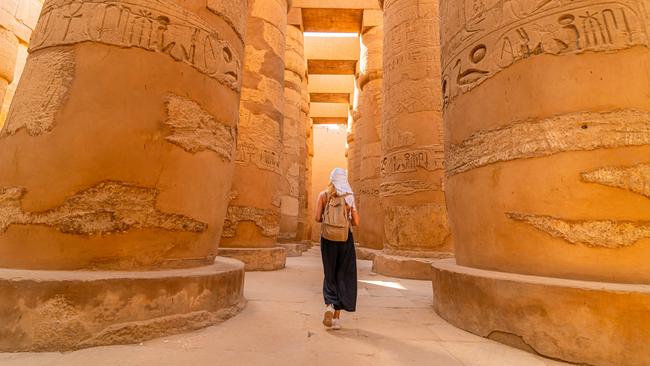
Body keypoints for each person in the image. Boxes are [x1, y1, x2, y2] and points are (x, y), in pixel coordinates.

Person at [314, 167, 360, 330]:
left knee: (329, 273)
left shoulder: (323, 195)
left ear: (331, 179)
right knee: (342, 274)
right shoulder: (349, 197)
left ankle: (329, 306)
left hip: (327, 238)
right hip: (345, 238)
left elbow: (317, 218)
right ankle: (337, 319)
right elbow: (356, 222)